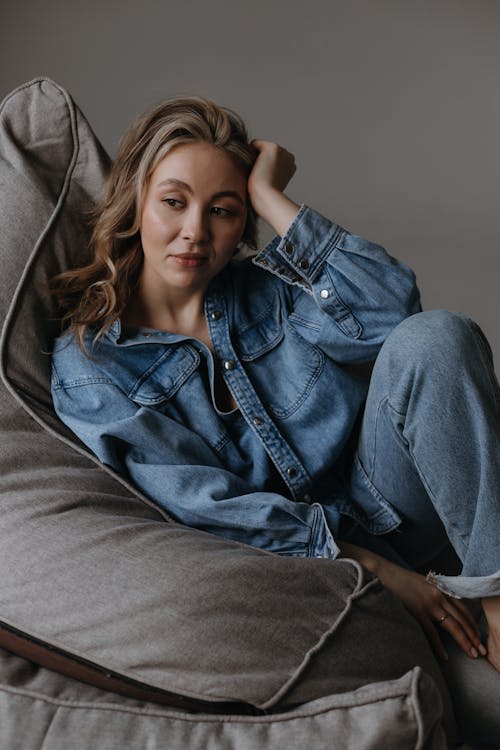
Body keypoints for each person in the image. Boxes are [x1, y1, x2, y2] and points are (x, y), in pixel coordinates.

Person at [49, 95, 500, 673]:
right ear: (135, 202)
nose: (194, 231)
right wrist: (376, 569)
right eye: (173, 202)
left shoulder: (266, 289)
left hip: (388, 504)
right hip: (303, 565)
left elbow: (396, 316)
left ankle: (496, 599)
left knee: (438, 336)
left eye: (223, 209)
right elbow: (209, 506)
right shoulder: (92, 365)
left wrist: (270, 197)